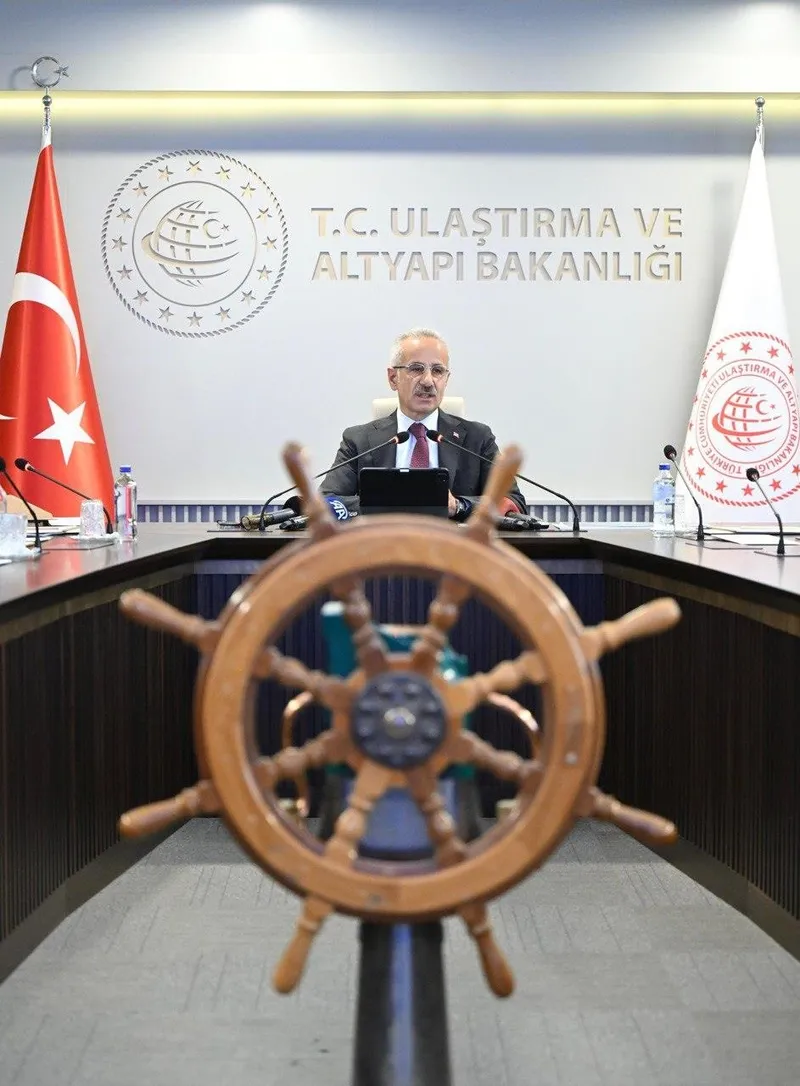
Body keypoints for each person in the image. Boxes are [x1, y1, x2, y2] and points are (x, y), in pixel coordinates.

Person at [320, 328, 526, 520]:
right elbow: (326, 502)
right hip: (383, 544)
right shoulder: (359, 440)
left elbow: (512, 502)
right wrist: (384, 503)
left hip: (452, 545)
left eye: (437, 371)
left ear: (446, 379)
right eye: (416, 369)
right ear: (393, 378)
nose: (428, 381)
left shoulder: (477, 438)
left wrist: (459, 506)